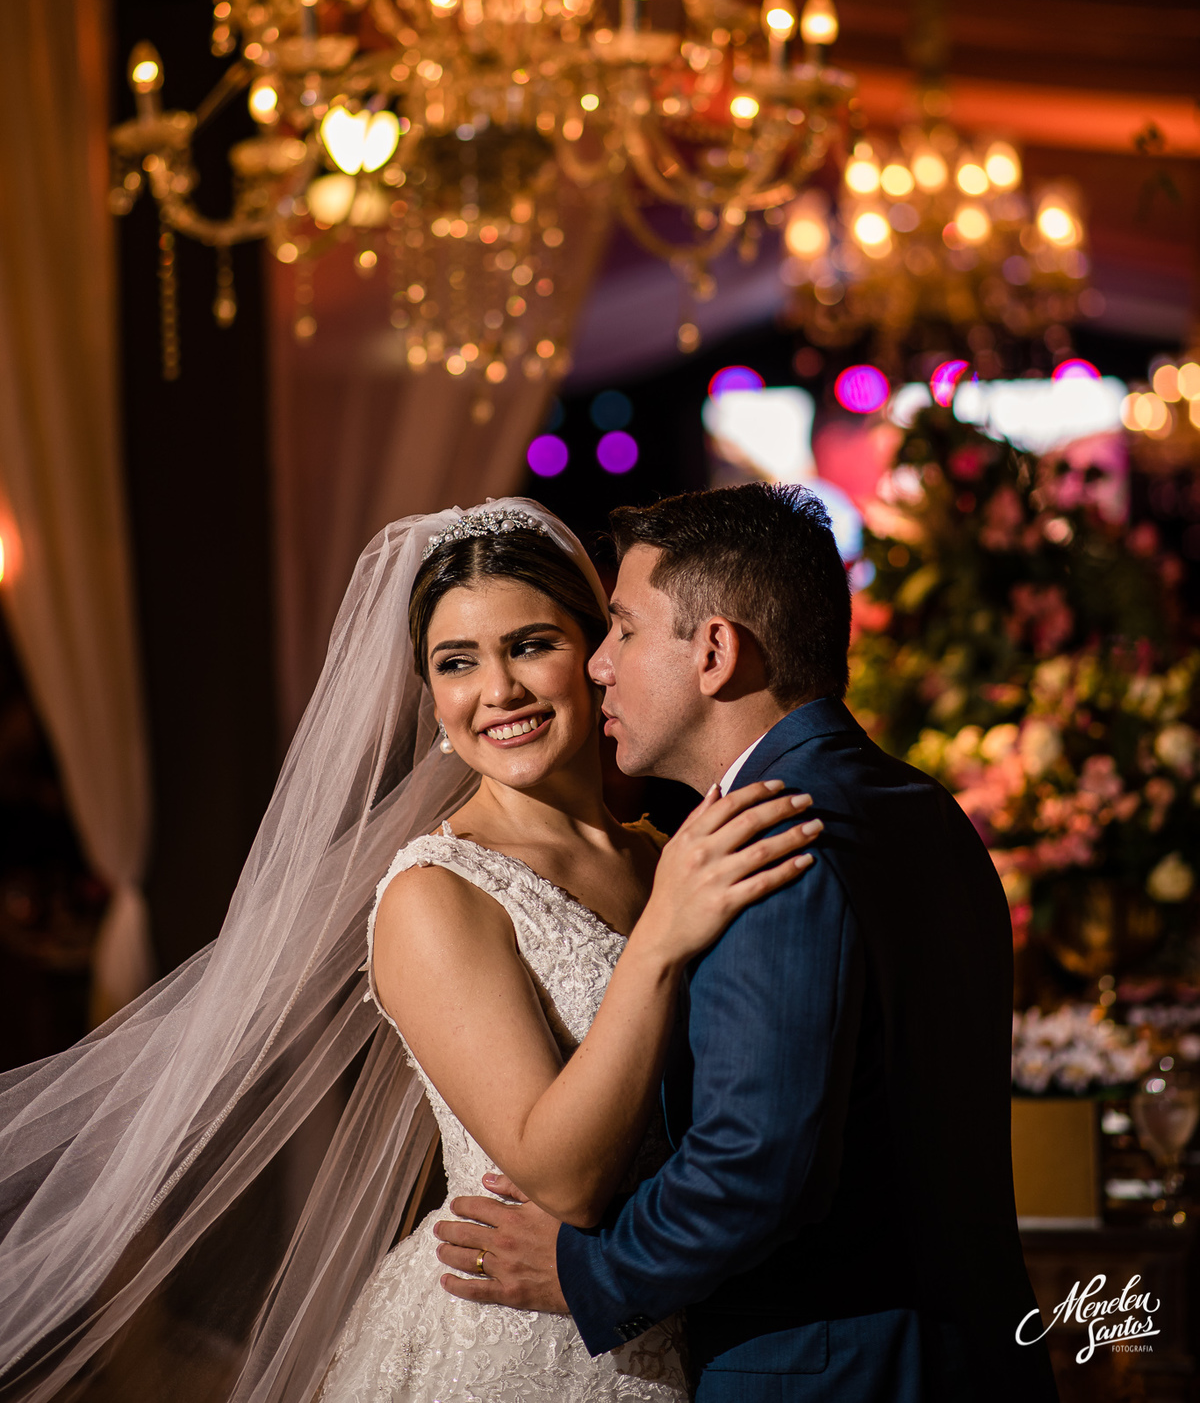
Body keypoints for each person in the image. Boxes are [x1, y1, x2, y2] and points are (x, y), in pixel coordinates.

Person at [0, 499, 818, 1403]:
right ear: (430, 695)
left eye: (531, 645)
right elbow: (567, 1181)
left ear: (598, 657)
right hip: (517, 1349)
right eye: (456, 663)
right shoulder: (435, 893)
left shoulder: (664, 856)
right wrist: (659, 942)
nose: (497, 691)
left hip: (686, 1327)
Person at [434, 484, 1058, 1403]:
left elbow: (753, 1167)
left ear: (717, 652)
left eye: (625, 630)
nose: (599, 665)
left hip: (829, 1370)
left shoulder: (772, 842)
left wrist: (583, 1275)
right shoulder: (919, 806)